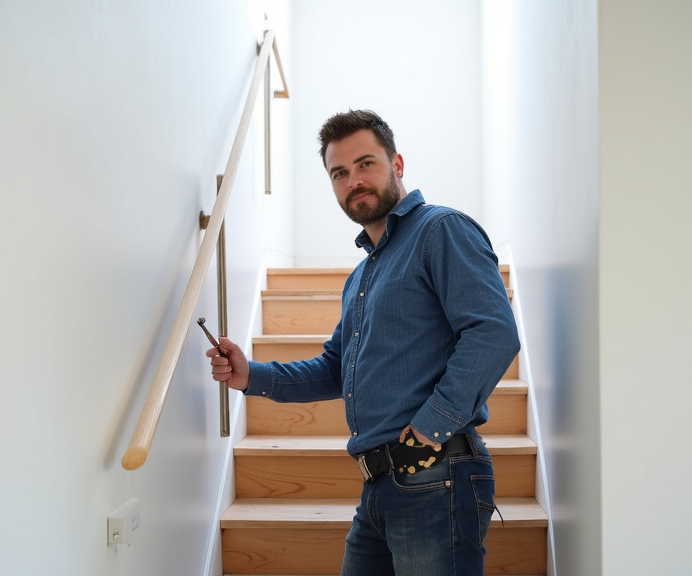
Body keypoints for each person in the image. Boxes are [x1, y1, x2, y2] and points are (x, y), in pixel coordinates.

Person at [207, 109, 520, 576]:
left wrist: (431, 427)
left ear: (397, 164)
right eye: (339, 173)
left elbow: (494, 332)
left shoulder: (441, 230)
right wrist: (252, 375)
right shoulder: (361, 276)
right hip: (378, 486)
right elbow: (335, 368)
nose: (354, 180)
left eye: (366, 164)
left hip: (434, 476)